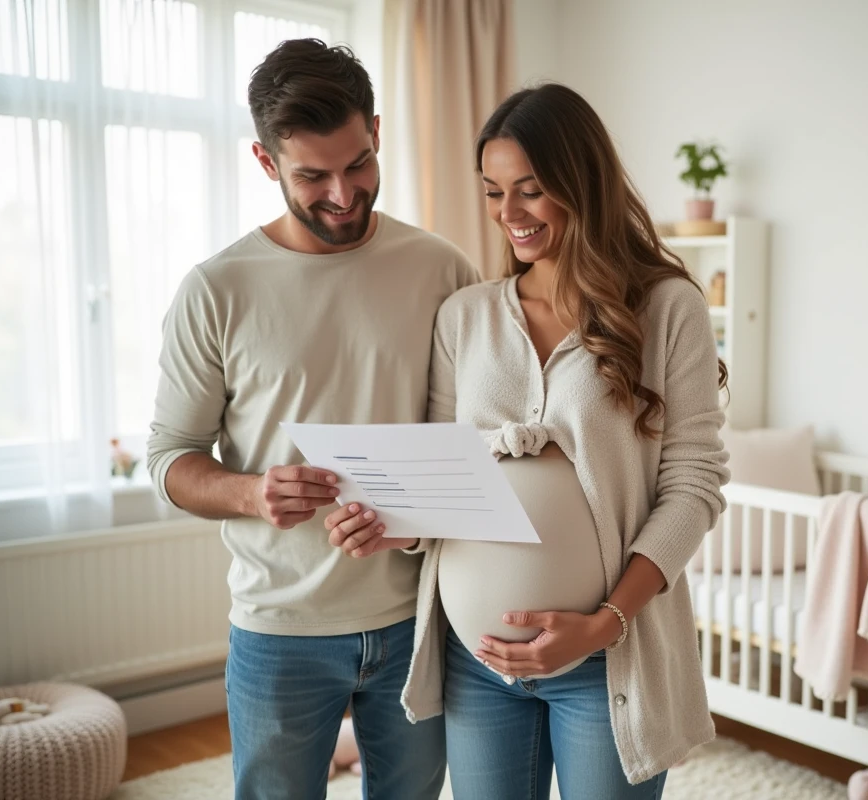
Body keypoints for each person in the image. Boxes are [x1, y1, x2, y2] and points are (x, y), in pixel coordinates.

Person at [327, 81, 731, 799]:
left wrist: (604, 625)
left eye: (531, 190)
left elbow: (694, 488)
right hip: (478, 664)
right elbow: (449, 476)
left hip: (609, 662)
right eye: (492, 192)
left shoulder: (669, 309)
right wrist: (398, 526)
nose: (508, 215)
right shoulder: (466, 316)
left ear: (583, 183)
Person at [146, 38, 479, 800]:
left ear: (378, 132)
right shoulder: (216, 290)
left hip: (418, 619)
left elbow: (471, 444)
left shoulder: (443, 270)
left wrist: (418, 518)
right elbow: (169, 457)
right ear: (266, 164)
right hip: (278, 631)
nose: (342, 192)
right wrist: (252, 493)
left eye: (358, 163)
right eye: (311, 175)